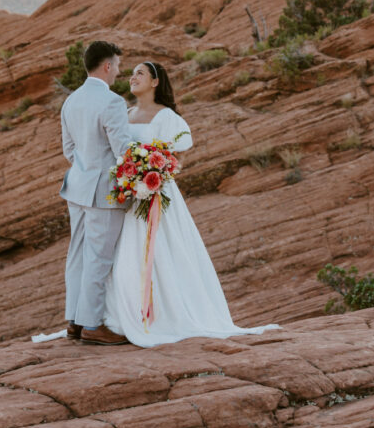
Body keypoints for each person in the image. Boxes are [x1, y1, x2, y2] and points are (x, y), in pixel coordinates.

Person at [102, 61, 279, 346]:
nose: (132, 78)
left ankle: (162, 316)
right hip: (129, 197)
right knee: (125, 258)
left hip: (156, 194)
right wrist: (128, 177)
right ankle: (124, 317)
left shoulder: (168, 117)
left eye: (140, 74)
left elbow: (179, 155)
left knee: (161, 253)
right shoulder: (126, 114)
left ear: (155, 82)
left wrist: (156, 175)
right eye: (132, 73)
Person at [56, 40, 134, 345]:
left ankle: (74, 321)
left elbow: (68, 149)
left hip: (76, 188)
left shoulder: (70, 101)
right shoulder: (112, 102)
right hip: (103, 192)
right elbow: (123, 151)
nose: (119, 71)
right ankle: (92, 325)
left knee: (77, 255)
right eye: (117, 65)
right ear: (107, 66)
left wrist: (87, 171)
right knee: (99, 258)